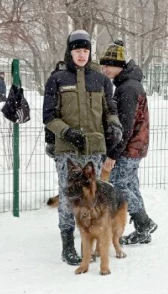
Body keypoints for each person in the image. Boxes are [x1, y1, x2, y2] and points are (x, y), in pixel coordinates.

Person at [43, 30, 122, 265]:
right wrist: (66, 132)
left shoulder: (100, 80)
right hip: (67, 150)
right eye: (77, 50)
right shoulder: (57, 79)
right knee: (69, 198)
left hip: (94, 149)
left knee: (92, 198)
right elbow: (48, 116)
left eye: (85, 50)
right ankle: (67, 244)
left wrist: (114, 126)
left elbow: (110, 110)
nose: (81, 55)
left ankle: (89, 242)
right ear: (70, 51)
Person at [100, 40, 157, 245]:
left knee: (118, 187)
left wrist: (113, 155)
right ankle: (143, 231)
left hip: (128, 148)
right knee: (131, 185)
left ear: (119, 66)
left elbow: (125, 127)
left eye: (107, 65)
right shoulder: (129, 84)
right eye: (103, 65)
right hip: (136, 146)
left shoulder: (127, 89)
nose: (104, 69)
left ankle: (143, 223)